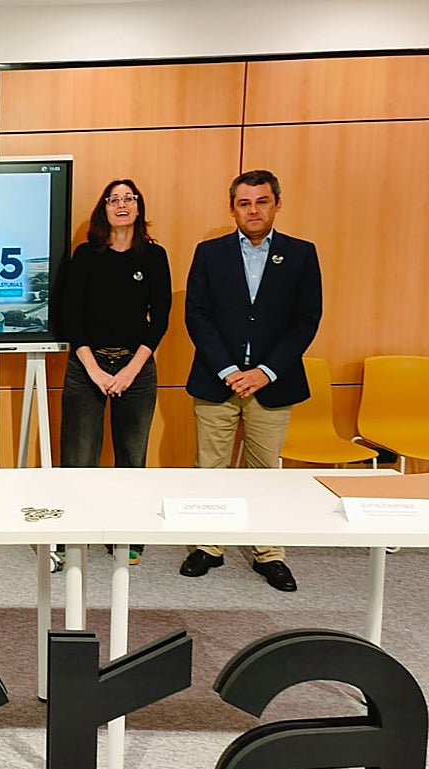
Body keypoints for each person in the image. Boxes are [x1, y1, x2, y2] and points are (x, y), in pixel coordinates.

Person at [181, 169, 322, 591]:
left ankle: (269, 553)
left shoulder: (301, 254)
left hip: (272, 383)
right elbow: (197, 316)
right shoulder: (209, 253)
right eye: (245, 203)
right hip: (216, 379)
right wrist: (228, 370)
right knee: (211, 468)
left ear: (277, 203)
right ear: (233, 208)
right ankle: (210, 546)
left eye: (262, 201)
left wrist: (264, 371)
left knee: (265, 472)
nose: (254, 210)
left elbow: (306, 320)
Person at [60, 179, 171, 565]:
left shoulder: (154, 257)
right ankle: (74, 533)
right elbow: (71, 319)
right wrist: (95, 371)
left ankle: (128, 535)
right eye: (114, 199)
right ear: (103, 208)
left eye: (129, 198)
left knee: (132, 458)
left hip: (136, 368)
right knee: (78, 458)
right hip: (86, 366)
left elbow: (159, 321)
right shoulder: (86, 256)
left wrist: (128, 371)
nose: (121, 204)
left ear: (139, 207)